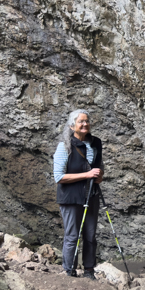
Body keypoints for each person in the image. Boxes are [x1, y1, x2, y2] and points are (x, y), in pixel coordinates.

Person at [54, 109, 103, 278]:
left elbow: (98, 165)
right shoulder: (65, 146)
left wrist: (99, 176)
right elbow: (59, 177)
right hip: (70, 197)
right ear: (71, 125)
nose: (85, 124)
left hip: (91, 195)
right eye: (80, 121)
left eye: (87, 121)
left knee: (90, 235)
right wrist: (87, 175)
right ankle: (69, 270)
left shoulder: (96, 143)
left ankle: (89, 270)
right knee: (72, 236)